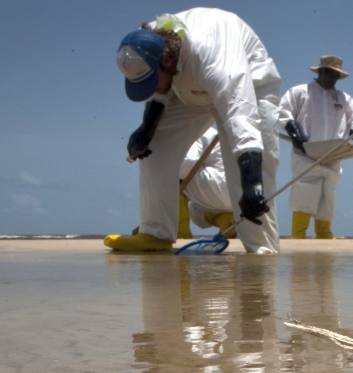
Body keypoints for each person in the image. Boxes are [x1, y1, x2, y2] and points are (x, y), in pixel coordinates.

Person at [105, 9, 280, 254]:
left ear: (166, 60)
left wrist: (252, 186)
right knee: (156, 144)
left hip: (249, 84)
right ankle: (155, 234)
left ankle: (261, 248)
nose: (149, 88)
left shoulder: (215, 58)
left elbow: (242, 118)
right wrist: (145, 131)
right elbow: (159, 93)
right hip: (184, 85)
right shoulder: (151, 45)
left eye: (151, 80)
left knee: (252, 172)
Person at [279, 55, 353, 240]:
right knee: (304, 195)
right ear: (320, 71)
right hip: (306, 153)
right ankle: (298, 238)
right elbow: (283, 112)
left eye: (336, 75)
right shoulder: (300, 92)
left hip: (333, 155)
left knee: (327, 200)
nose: (333, 78)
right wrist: (294, 133)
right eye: (329, 73)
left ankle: (324, 240)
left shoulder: (344, 99)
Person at [178, 127, 235, 239]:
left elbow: (188, 161)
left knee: (170, 171)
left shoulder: (194, 128)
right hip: (238, 194)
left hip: (219, 185)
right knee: (194, 210)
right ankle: (227, 221)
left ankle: (178, 232)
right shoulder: (213, 132)